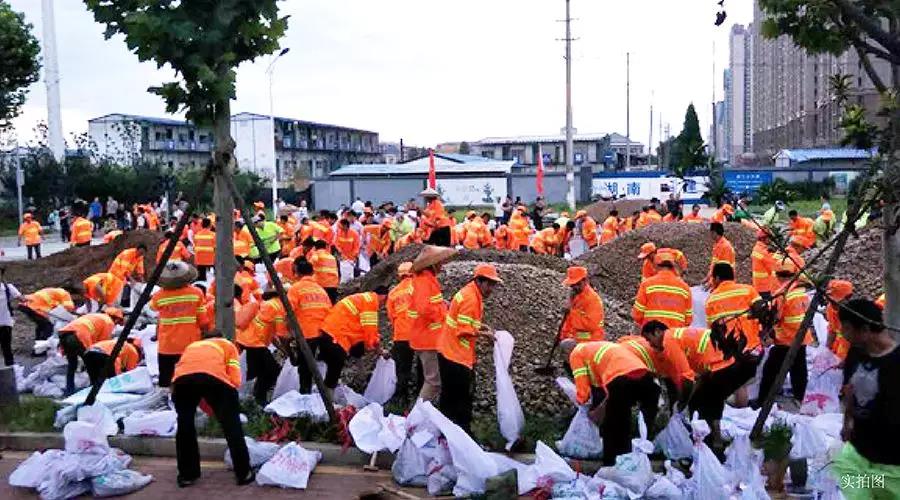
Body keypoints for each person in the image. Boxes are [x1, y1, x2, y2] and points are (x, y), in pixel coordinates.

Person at [831, 299, 900, 498]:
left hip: (893, 462)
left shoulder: (896, 362)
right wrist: (847, 422)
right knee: (854, 487)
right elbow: (849, 392)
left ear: (865, 330)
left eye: (846, 328)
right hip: (859, 453)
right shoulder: (855, 354)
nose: (842, 333)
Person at [172, 331, 254, 487]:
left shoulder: (192, 346)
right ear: (221, 337)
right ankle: (243, 473)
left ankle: (187, 475)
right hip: (213, 377)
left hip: (182, 381)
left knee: (185, 425)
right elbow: (235, 377)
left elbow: (186, 370)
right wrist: (230, 400)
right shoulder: (227, 345)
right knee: (231, 424)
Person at [563, 340, 659, 465]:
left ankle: (611, 463)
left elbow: (583, 388)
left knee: (612, 423)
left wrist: (583, 405)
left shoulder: (576, 354)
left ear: (567, 352)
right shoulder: (595, 348)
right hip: (644, 376)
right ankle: (630, 459)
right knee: (624, 419)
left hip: (620, 378)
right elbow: (602, 387)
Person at [437, 264, 502, 433]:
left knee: (449, 398)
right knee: (461, 400)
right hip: (456, 356)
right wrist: (485, 335)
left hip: (449, 352)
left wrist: (482, 327)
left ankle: (445, 434)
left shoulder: (470, 293)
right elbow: (463, 330)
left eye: (493, 284)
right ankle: (462, 434)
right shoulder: (471, 299)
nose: (491, 289)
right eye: (489, 284)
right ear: (479, 281)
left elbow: (466, 321)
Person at [706, 263, 765, 408]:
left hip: (730, 348)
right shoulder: (748, 290)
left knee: (737, 381)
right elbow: (762, 310)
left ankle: (739, 408)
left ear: (717, 278)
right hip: (752, 345)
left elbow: (713, 329)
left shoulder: (711, 299)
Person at [757, 258, 813, 407]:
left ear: (777, 275)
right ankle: (799, 397)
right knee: (798, 368)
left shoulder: (782, 294)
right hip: (801, 337)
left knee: (770, 370)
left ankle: (762, 401)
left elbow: (775, 318)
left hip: (786, 339)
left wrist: (768, 335)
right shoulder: (800, 291)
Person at [317, 289, 390, 400]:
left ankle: (323, 395)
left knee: (330, 366)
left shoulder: (363, 299)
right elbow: (370, 334)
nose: (383, 306)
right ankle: (327, 401)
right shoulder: (370, 303)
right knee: (335, 366)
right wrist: (379, 350)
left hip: (329, 331)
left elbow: (360, 332)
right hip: (336, 334)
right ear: (384, 297)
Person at [408, 246, 456, 401]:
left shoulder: (427, 280)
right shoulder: (424, 281)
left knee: (432, 380)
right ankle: (417, 414)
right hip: (426, 338)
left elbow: (430, 303)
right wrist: (443, 313)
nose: (442, 265)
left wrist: (442, 304)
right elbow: (424, 309)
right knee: (433, 382)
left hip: (427, 337)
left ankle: (421, 411)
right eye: (440, 262)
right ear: (433, 264)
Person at [150, 262, 209, 387]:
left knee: (165, 378)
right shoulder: (196, 293)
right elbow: (203, 321)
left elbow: (153, 308)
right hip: (190, 343)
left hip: (167, 345)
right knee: (190, 378)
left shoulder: (159, 296)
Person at [287, 259, 332, 394]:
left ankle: (305, 393)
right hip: (324, 332)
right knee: (321, 364)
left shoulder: (296, 288)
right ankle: (323, 393)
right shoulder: (320, 290)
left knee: (305, 366)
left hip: (307, 332)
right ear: (312, 272)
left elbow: (289, 311)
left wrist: (289, 332)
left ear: (297, 272)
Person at [58, 308, 125, 392]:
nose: (116, 324)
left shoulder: (95, 315)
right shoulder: (109, 322)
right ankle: (94, 389)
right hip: (80, 337)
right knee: (91, 364)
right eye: (118, 322)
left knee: (72, 364)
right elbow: (101, 345)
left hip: (65, 335)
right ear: (116, 319)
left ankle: (69, 389)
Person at [236, 290, 285, 405]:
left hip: (248, 341)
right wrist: (288, 351)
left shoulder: (267, 304)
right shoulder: (279, 307)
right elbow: (281, 334)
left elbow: (271, 334)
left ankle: (255, 397)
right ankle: (258, 398)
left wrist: (282, 350)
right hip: (255, 343)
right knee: (271, 370)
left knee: (260, 371)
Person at [632, 251, 693, 329]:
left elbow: (637, 314)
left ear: (656, 266)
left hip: (652, 332)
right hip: (674, 334)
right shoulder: (685, 288)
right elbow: (688, 319)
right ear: (673, 266)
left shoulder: (647, 284)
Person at [387, 262, 416, 405]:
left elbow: (391, 316)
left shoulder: (393, 292)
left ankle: (401, 398)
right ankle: (420, 398)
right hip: (419, 334)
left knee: (402, 368)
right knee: (423, 367)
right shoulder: (418, 287)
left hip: (400, 335)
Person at [560, 266, 605, 342]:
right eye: (572, 285)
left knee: (566, 345)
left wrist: (571, 312)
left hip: (590, 339)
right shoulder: (576, 295)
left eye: (578, 284)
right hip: (578, 337)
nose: (575, 287)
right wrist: (564, 336)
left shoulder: (592, 299)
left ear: (585, 280)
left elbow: (591, 325)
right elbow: (569, 323)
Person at [825, 280, 854, 361]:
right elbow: (832, 330)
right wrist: (826, 350)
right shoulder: (830, 308)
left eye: (836, 302)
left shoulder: (854, 314)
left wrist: (846, 360)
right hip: (838, 349)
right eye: (831, 301)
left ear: (848, 298)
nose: (833, 304)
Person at [0, 267, 22, 366]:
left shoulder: (8, 288)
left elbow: (21, 298)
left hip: (5, 322)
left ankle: (10, 367)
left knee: (6, 346)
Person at [309, 239, 339, 303]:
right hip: (333, 285)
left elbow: (309, 268)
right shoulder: (331, 257)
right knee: (331, 304)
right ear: (325, 247)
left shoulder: (316, 254)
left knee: (320, 304)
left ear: (315, 247)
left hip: (321, 285)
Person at [751, 230, 778, 299]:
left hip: (758, 285)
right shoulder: (764, 252)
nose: (771, 240)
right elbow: (774, 267)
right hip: (766, 286)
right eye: (769, 238)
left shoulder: (756, 248)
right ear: (764, 238)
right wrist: (777, 255)